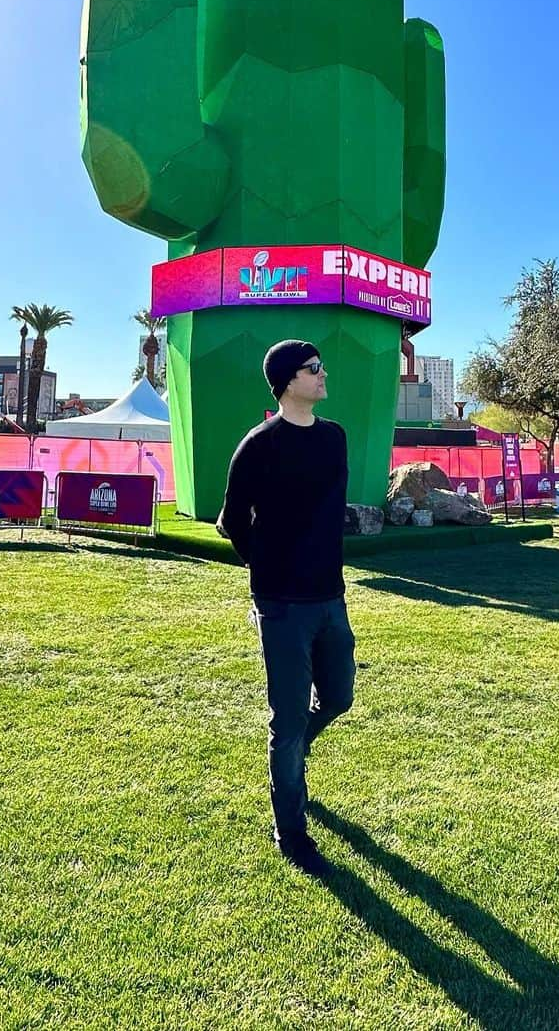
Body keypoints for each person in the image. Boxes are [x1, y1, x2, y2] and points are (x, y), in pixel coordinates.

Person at [218, 339, 355, 878]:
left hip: (331, 597)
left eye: (322, 366)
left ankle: (294, 760)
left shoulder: (335, 437)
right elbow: (232, 521)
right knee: (289, 718)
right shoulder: (259, 444)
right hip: (281, 605)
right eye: (313, 369)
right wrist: (267, 574)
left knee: (339, 696)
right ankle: (291, 832)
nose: (323, 375)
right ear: (286, 381)